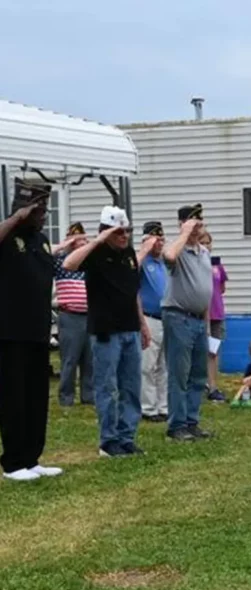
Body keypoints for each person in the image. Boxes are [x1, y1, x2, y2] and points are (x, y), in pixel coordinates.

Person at [63, 206, 152, 457]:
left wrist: (143, 324)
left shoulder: (129, 254)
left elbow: (133, 291)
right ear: (105, 232)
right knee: (107, 388)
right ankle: (108, 441)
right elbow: (69, 264)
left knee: (131, 386)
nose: (124, 236)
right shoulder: (95, 253)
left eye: (127, 232)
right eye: (119, 232)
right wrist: (98, 240)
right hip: (105, 331)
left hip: (130, 329)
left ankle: (126, 437)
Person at [0, 180, 63, 481]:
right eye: (39, 210)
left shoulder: (40, 240)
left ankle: (32, 457)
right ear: (23, 210)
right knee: (14, 398)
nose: (44, 215)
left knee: (36, 398)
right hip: (10, 333)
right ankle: (13, 463)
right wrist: (16, 219)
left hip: (38, 331)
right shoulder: (8, 234)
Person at [162, 204, 214, 442]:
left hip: (198, 319)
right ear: (182, 224)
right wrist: (184, 233)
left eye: (199, 224)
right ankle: (177, 425)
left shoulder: (203, 252)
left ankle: (191, 421)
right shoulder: (177, 249)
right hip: (178, 316)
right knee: (179, 374)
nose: (196, 229)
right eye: (192, 224)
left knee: (198, 375)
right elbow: (169, 256)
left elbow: (206, 290)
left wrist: (207, 324)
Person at [52, 222, 94, 408]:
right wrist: (66, 244)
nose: (81, 243)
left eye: (83, 239)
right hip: (70, 316)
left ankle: (88, 395)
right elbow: (49, 253)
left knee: (90, 358)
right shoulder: (61, 261)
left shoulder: (90, 263)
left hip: (90, 315)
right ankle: (66, 397)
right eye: (77, 240)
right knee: (70, 358)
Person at [136, 221, 169, 422]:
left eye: (161, 239)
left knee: (164, 366)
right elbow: (131, 270)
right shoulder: (142, 262)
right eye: (156, 239)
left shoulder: (164, 262)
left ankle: (163, 406)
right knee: (148, 366)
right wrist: (144, 249)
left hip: (167, 317)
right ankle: (148, 407)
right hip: (149, 318)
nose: (160, 243)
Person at [202, 232, 228, 402]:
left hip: (216, 314)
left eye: (208, 242)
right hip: (198, 313)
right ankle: (199, 383)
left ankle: (212, 386)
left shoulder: (217, 266)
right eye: (202, 242)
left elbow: (222, 288)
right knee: (199, 351)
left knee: (213, 351)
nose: (205, 246)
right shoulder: (194, 263)